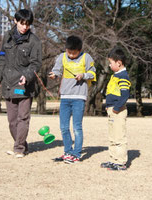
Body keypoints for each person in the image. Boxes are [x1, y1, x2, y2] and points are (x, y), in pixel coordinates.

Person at [0, 9, 42, 158]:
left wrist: (26, 76)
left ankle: (19, 148)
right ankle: (22, 145)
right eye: (22, 23)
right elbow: (2, 57)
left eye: (28, 24)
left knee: (23, 118)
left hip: (23, 86)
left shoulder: (34, 41)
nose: (24, 27)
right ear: (16, 21)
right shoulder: (7, 37)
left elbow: (36, 63)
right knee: (12, 121)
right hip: (8, 83)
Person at [49, 35, 96, 164]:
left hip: (78, 97)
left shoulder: (86, 57)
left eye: (73, 53)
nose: (70, 55)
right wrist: (54, 75)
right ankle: (68, 152)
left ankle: (76, 154)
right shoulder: (62, 57)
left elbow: (93, 73)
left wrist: (83, 75)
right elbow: (57, 70)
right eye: (68, 52)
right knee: (64, 127)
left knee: (76, 127)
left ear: (79, 50)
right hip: (65, 97)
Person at [100, 47, 131, 171]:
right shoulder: (115, 75)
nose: (109, 65)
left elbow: (125, 95)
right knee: (112, 137)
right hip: (111, 110)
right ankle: (113, 160)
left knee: (119, 137)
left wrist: (116, 109)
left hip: (118, 111)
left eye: (110, 63)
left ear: (119, 63)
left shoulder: (123, 76)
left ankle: (121, 162)